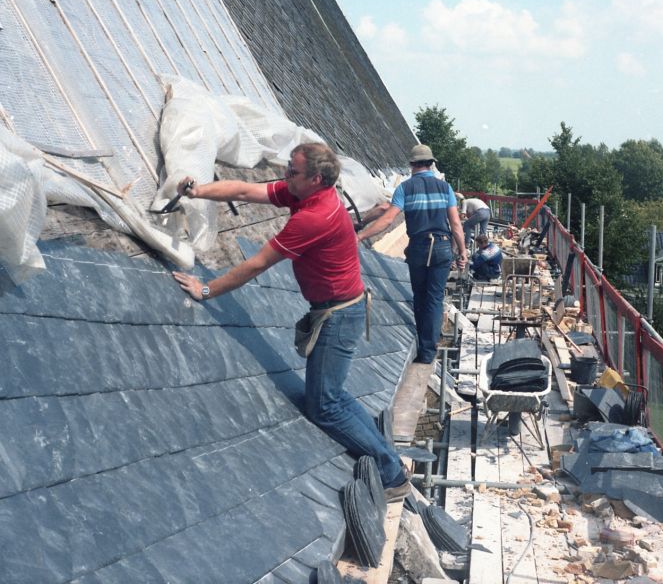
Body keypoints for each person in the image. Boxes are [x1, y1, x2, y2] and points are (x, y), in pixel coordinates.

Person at [171, 142, 410, 501]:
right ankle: (390, 464)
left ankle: (390, 475)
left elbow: (257, 264)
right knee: (332, 396)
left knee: (325, 406)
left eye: (293, 172)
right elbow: (245, 190)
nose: (286, 175)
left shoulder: (316, 216)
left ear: (315, 179)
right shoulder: (305, 191)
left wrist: (207, 290)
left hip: (339, 314)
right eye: (288, 168)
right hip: (339, 308)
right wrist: (198, 191)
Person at [356, 144, 467, 364]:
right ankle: (428, 351)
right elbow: (455, 224)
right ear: (431, 163)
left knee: (420, 296)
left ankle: (422, 341)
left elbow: (387, 219)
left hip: (418, 247)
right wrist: (462, 252)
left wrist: (359, 236)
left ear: (412, 165)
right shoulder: (445, 188)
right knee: (435, 298)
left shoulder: (405, 189)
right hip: (442, 247)